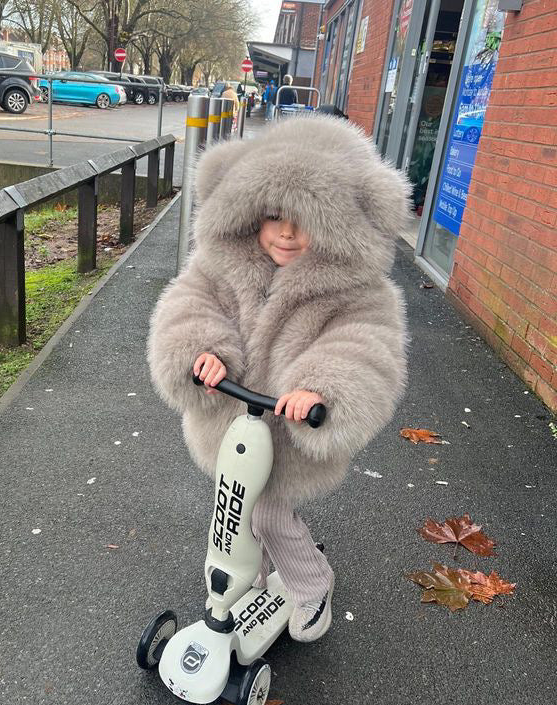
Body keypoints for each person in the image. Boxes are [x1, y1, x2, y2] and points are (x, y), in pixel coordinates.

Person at [147, 117, 409, 642]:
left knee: (266, 515)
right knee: (235, 510)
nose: (286, 233)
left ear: (337, 225)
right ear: (249, 214)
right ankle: (259, 570)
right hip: (231, 423)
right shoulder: (222, 264)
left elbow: (366, 344)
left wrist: (320, 387)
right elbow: (189, 303)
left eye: (304, 219)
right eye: (272, 216)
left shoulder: (356, 289)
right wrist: (203, 350)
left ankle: (311, 582)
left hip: (290, 433)